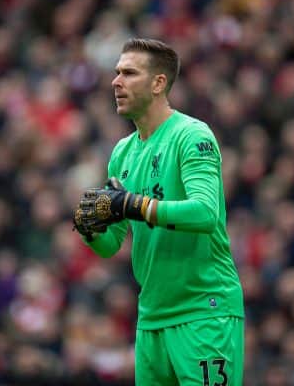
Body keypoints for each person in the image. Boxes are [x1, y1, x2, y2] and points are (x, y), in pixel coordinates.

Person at [73, 38, 244, 386]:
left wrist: (134, 204)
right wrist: (91, 229)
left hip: (203, 313)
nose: (115, 82)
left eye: (129, 73)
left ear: (158, 83)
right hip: (151, 318)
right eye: (116, 73)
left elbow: (205, 213)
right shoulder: (122, 153)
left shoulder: (192, 135)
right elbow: (111, 244)